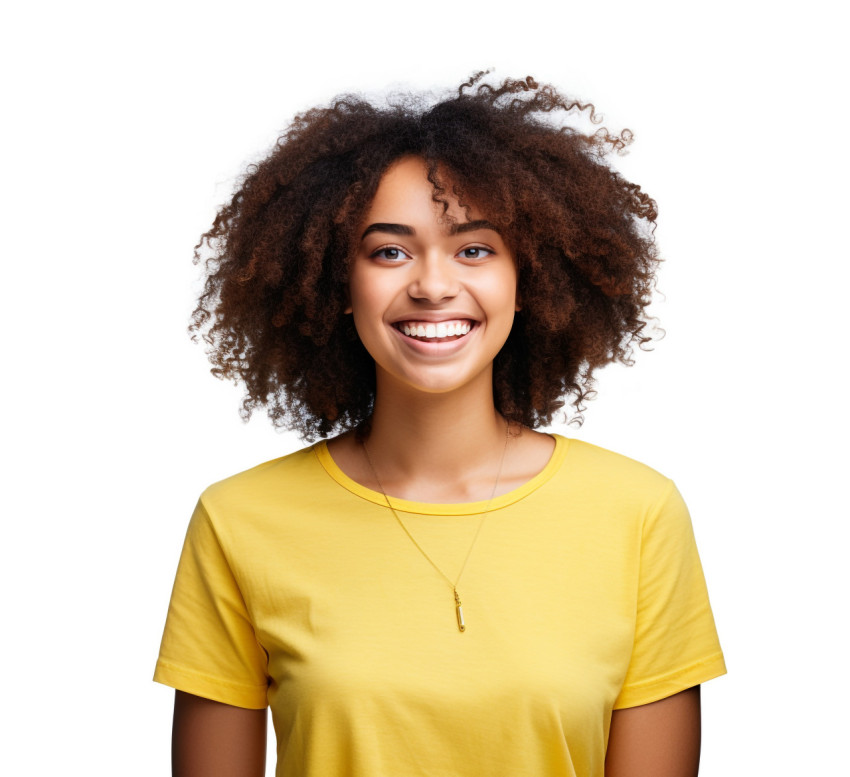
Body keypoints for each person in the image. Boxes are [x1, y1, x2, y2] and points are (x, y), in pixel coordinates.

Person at [155, 72, 725, 777]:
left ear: (529, 280)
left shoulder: (637, 514)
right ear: (339, 283)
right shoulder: (239, 521)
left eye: (475, 249)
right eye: (389, 251)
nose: (431, 284)